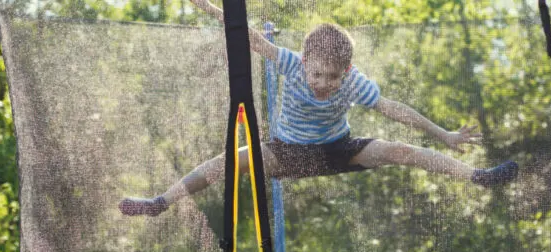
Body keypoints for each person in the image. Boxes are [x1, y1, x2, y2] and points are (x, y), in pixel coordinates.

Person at [119, 0, 519, 217]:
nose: (324, 84)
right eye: (318, 74)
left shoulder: (354, 82)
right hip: (285, 154)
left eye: (333, 77)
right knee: (224, 162)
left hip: (338, 149)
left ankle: (478, 177)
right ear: (304, 61)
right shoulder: (291, 63)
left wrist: (446, 135)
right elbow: (251, 37)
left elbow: (397, 110)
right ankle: (160, 202)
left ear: (346, 70)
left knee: (401, 151)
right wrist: (207, 6)